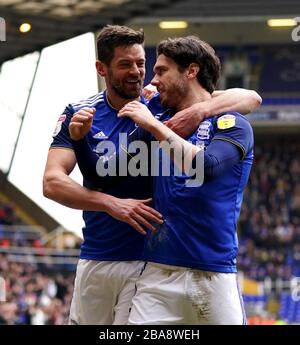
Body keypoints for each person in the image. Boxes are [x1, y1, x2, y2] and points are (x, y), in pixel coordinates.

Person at [43, 25, 261, 325]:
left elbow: (250, 97)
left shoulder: (159, 111)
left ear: (190, 71)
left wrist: (197, 112)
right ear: (101, 69)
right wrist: (82, 146)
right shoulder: (92, 113)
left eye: (144, 65)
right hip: (110, 256)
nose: (142, 75)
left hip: (171, 262)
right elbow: (85, 177)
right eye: (125, 65)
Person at [118, 36, 254, 325]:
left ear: (191, 71)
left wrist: (157, 126)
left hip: (212, 274)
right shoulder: (159, 112)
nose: (152, 81)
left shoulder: (231, 124)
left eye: (162, 71)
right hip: (157, 273)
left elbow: (205, 167)